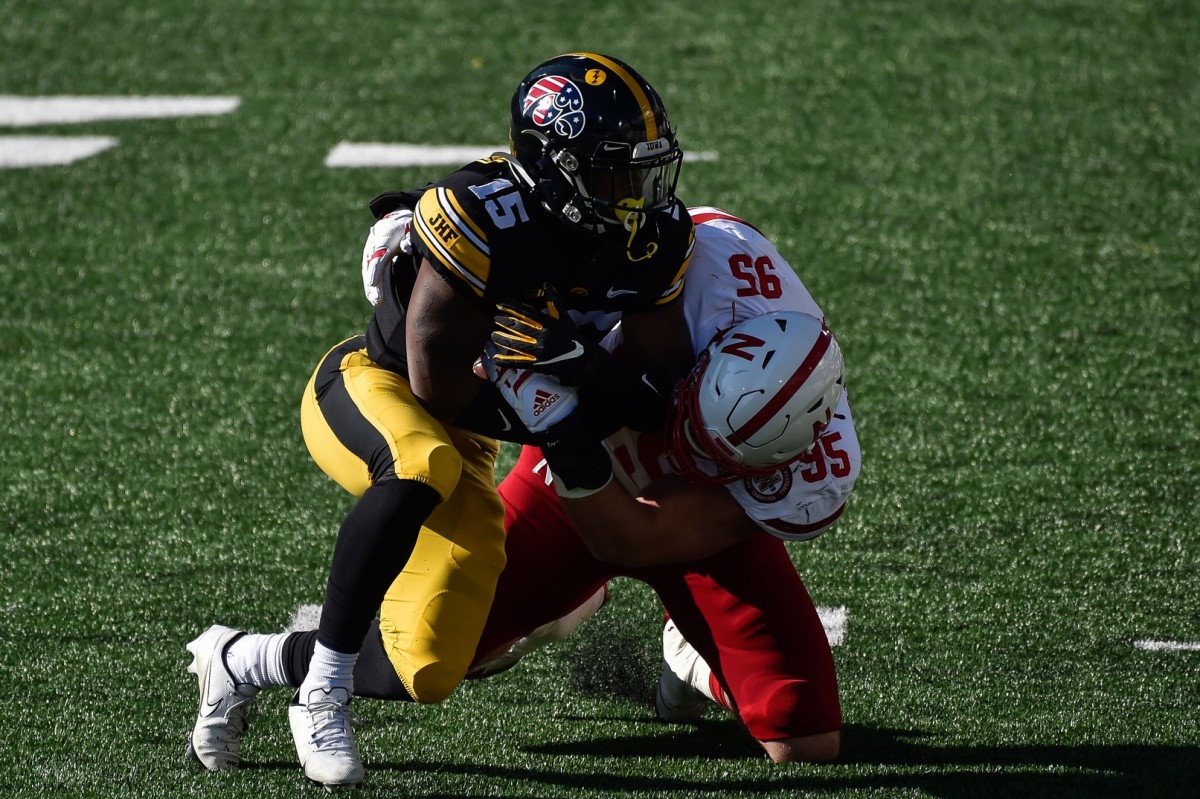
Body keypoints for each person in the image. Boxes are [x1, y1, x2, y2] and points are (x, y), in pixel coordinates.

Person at [185, 207, 859, 769]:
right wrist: (424, 241)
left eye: (711, 446)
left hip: (679, 511)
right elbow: (521, 247)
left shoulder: (817, 473)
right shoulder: (696, 270)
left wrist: (571, 423)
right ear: (713, 348)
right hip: (579, 476)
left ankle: (691, 658)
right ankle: (251, 656)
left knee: (803, 739)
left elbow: (634, 534)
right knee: (431, 650)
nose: (683, 442)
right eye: (690, 418)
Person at [186, 52, 696, 789]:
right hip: (373, 387)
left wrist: (578, 366)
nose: (637, 193)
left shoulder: (654, 238)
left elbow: (655, 397)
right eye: (615, 172)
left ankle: (239, 659)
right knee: (422, 463)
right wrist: (560, 418)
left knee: (426, 666)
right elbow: (437, 385)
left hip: (474, 435)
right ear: (554, 167)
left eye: (644, 170)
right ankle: (320, 692)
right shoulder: (486, 212)